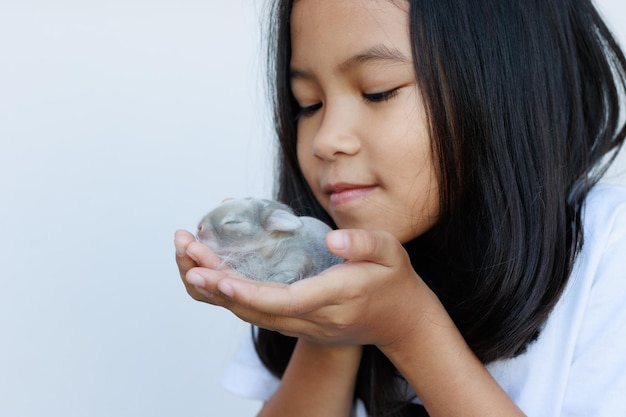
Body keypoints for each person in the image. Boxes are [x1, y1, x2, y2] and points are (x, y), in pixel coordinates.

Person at [174, 0, 626, 415]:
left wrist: (410, 329)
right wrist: (329, 325)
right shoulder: (298, 259)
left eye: (377, 91)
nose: (327, 139)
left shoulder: (609, 246)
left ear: (508, 80)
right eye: (307, 104)